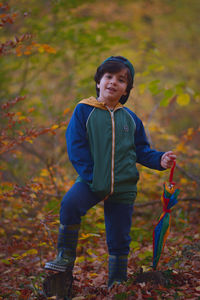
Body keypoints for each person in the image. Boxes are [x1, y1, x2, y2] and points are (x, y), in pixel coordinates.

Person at [45, 56, 176, 288]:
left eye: (121, 79)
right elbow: (76, 147)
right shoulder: (84, 110)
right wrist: (92, 177)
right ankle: (64, 257)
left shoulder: (131, 119)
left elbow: (142, 151)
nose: (113, 82)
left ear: (127, 89)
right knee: (69, 204)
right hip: (92, 180)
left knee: (120, 237)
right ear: (98, 81)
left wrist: (160, 160)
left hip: (124, 186)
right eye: (108, 77)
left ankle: (117, 281)